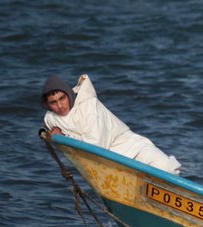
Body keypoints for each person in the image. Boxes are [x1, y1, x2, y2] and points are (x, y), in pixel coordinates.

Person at [42, 74, 182, 174]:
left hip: (133, 148)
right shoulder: (51, 119)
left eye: (62, 98)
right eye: (53, 102)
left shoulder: (89, 106)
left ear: (68, 95)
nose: (60, 105)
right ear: (47, 105)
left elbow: (95, 146)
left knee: (167, 169)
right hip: (112, 164)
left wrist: (62, 138)